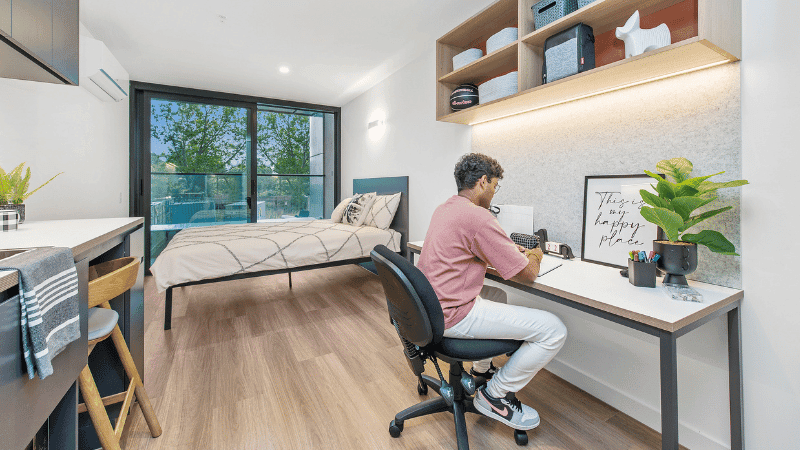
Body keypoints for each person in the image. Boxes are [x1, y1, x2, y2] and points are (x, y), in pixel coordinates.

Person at [417, 152, 567, 431]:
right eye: (495, 186)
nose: (494, 194)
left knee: (497, 295)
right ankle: (493, 396)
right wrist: (535, 252)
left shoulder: (446, 208)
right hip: (453, 314)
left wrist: (503, 249)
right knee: (554, 330)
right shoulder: (478, 217)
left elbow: (467, 247)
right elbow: (527, 274)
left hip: (429, 308)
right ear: (483, 182)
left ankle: (481, 371)